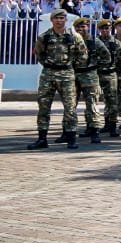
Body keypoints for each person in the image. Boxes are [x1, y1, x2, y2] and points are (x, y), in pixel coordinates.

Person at [30, 8, 86, 150]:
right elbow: (39, 53)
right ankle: (42, 139)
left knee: (70, 107)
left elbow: (83, 55)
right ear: (52, 20)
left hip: (67, 74)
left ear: (66, 20)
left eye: (62, 18)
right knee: (43, 106)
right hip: (48, 74)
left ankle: (71, 138)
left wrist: (71, 65)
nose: (59, 20)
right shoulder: (45, 37)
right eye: (56, 18)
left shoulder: (74, 37)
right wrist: (48, 64)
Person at [70, 16, 109, 144]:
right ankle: (68, 132)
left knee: (92, 105)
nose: (81, 29)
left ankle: (95, 132)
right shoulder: (71, 40)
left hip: (90, 76)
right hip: (74, 76)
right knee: (70, 105)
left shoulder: (94, 41)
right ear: (75, 28)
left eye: (84, 26)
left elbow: (106, 56)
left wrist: (95, 66)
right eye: (79, 27)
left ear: (88, 27)